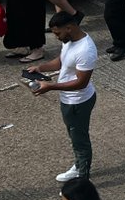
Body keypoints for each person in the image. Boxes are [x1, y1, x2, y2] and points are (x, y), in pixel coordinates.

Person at [28, 12, 98, 182]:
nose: (57, 37)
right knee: (75, 138)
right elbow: (61, 61)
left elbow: (81, 82)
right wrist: (40, 68)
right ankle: (79, 166)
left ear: (69, 27)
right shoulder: (69, 41)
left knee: (80, 142)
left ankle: (83, 180)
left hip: (78, 102)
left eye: (58, 33)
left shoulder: (86, 50)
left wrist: (51, 86)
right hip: (68, 100)